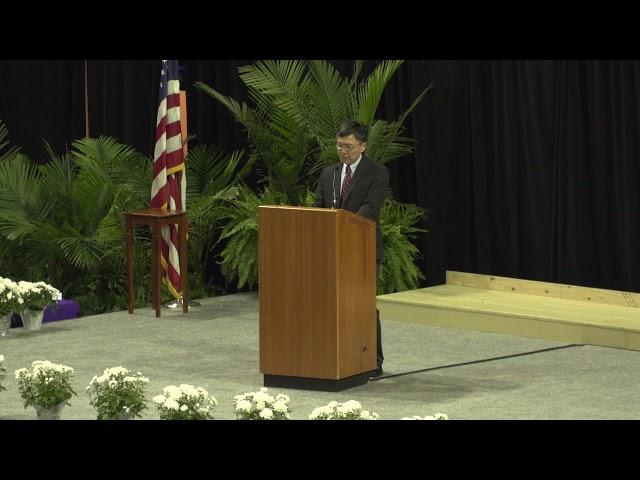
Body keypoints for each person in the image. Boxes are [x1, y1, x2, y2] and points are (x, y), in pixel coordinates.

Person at [312, 120, 389, 378]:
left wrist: (343, 226)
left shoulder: (377, 173)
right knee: (331, 304)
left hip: (363, 250)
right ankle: (337, 357)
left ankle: (372, 361)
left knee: (363, 304)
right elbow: (318, 206)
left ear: (363, 146)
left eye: (348, 146)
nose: (343, 151)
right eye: (339, 146)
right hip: (331, 250)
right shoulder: (329, 173)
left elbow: (370, 209)